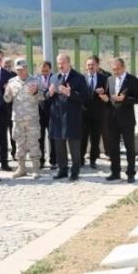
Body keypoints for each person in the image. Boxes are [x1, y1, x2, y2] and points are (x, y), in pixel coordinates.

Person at [47, 53, 87, 181]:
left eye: (63, 63)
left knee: (74, 146)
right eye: (58, 63)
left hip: (72, 117)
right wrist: (49, 93)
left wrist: (70, 93)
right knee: (59, 145)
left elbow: (85, 98)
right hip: (57, 118)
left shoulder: (79, 78)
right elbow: (47, 97)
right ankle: (62, 169)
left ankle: (75, 171)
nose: (60, 66)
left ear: (69, 63)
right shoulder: (54, 78)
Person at [102, 58, 138, 182]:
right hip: (112, 119)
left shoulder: (133, 80)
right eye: (113, 69)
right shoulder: (110, 79)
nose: (116, 72)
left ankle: (131, 173)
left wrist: (124, 99)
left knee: (129, 147)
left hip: (127, 120)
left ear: (124, 67)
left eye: (118, 69)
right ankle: (115, 172)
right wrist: (106, 99)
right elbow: (109, 97)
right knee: (113, 147)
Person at [2, 58, 43, 179]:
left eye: (22, 69)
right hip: (18, 119)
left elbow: (43, 97)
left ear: (26, 68)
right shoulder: (12, 82)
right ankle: (21, 168)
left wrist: (36, 92)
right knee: (19, 144)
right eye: (18, 69)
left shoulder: (36, 80)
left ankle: (35, 168)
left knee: (34, 143)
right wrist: (7, 92)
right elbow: (7, 100)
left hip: (32, 119)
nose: (20, 71)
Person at [81, 56, 109, 169]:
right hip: (84, 114)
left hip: (98, 114)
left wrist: (104, 92)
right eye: (88, 65)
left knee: (95, 138)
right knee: (83, 138)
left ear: (97, 66)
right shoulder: (82, 78)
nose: (90, 67)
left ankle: (93, 160)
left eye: (92, 64)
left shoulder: (104, 78)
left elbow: (108, 93)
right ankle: (81, 159)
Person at [0, 49, 16, 171]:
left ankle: (4, 163)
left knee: (3, 138)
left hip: (3, 110)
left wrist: (8, 90)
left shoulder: (8, 75)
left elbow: (13, 94)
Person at [37, 60, 54, 169]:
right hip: (39, 111)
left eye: (46, 70)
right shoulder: (36, 79)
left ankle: (53, 160)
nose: (44, 72)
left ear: (50, 69)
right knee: (40, 137)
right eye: (42, 70)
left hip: (52, 112)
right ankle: (41, 160)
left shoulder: (55, 78)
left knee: (52, 137)